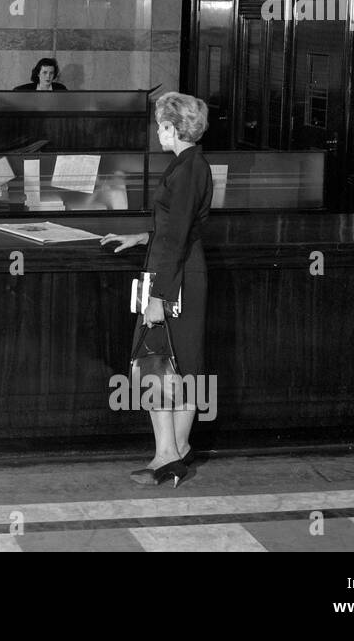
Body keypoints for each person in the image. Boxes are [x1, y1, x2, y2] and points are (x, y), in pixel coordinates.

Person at [100, 92, 212, 488]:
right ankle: (178, 450)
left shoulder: (185, 170)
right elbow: (175, 228)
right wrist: (141, 236)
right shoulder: (192, 164)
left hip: (173, 278)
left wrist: (158, 297)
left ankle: (166, 455)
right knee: (182, 363)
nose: (157, 131)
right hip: (185, 270)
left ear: (173, 127)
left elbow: (176, 236)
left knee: (155, 364)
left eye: (161, 124)